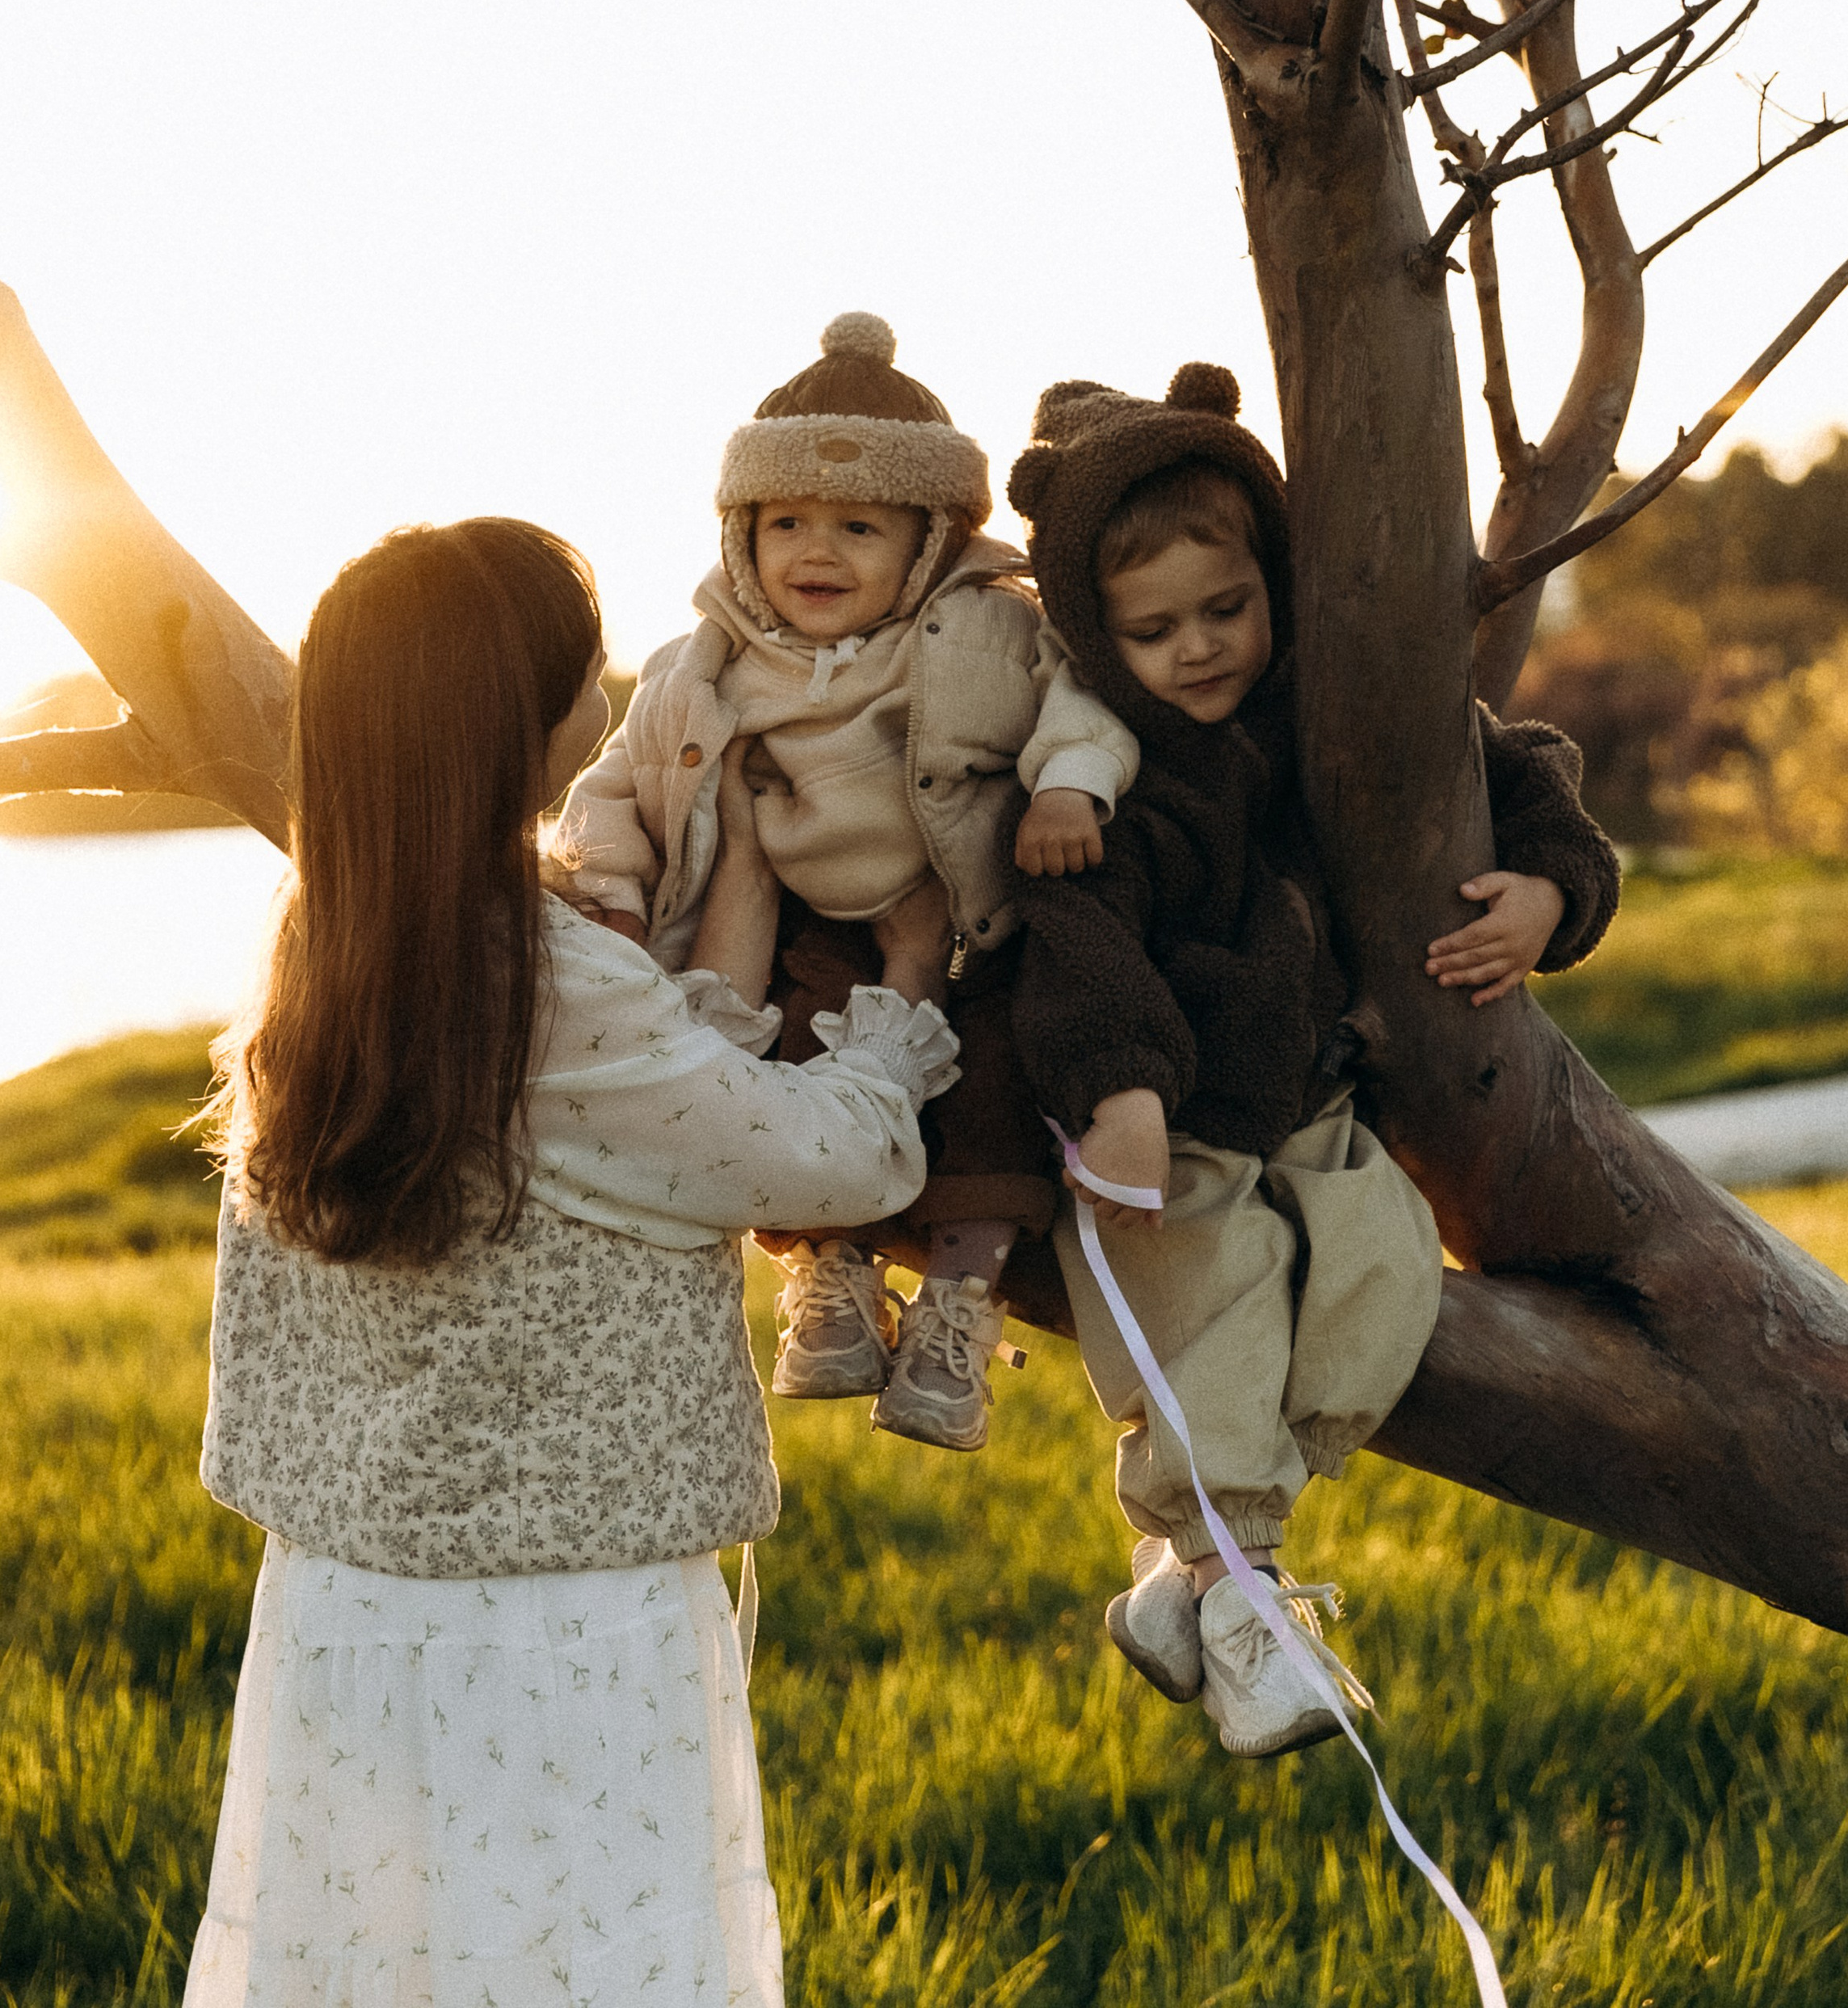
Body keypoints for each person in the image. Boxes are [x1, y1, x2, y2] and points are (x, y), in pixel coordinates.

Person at [184, 516, 958, 2008]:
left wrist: (726, 897)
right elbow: (821, 1159)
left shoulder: (325, 954)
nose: (607, 690)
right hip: (563, 1629)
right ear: (523, 728)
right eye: (583, 669)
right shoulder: (548, 984)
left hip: (348, 1610)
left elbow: (641, 1100)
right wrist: (907, 993)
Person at [1005, 366, 1621, 1760]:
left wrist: (1549, 892)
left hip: (1315, 1093)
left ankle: (1195, 1576)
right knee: (1211, 1303)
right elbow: (1077, 940)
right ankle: (1243, 1596)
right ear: (1096, 636)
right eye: (1153, 630)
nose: (1199, 650)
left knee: (1381, 1266)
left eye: (1226, 608)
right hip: (1172, 1121)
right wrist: (1121, 1093)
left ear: (1277, 579)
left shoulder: (1333, 710)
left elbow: (1519, 769)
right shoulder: (1109, 781)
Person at [550, 313, 1137, 1454]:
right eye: (786, 524)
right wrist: (612, 887)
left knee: (996, 1090)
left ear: (929, 541)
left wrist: (1070, 787)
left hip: (973, 929)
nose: (815, 553)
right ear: (741, 535)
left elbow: (1083, 696)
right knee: (793, 1067)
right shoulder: (705, 664)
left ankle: (959, 1308)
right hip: (809, 930)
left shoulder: (985, 633)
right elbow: (613, 785)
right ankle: (833, 1277)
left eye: (859, 526)